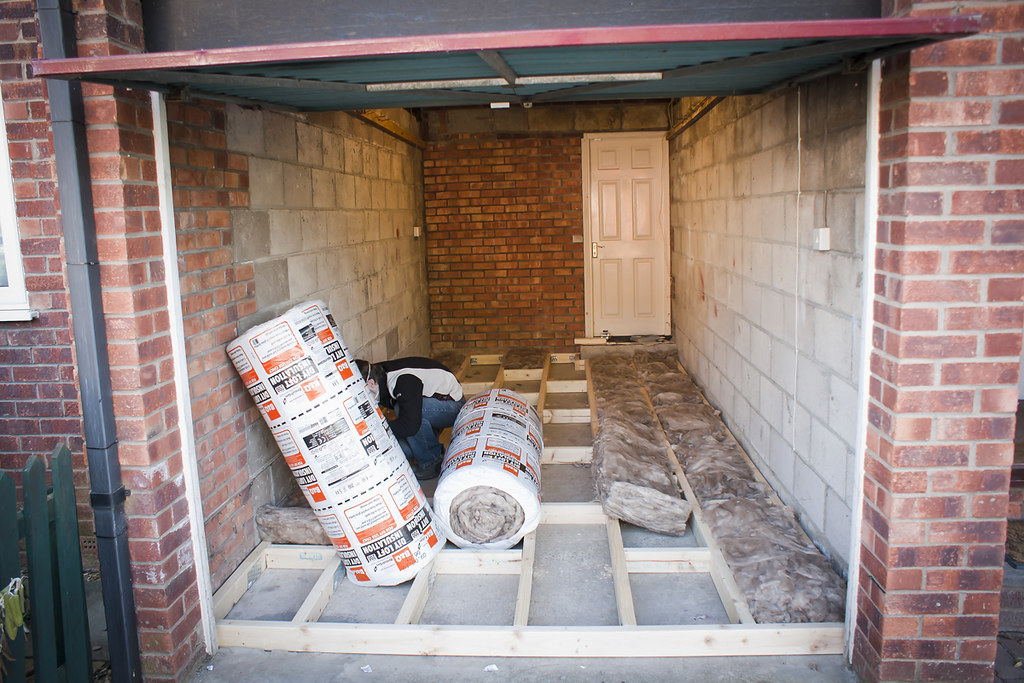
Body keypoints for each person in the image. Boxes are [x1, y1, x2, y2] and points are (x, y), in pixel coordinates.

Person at [354, 356, 465, 480]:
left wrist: (375, 432)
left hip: (452, 405)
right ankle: (428, 444)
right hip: (431, 403)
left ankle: (432, 462)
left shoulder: (403, 380)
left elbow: (410, 425)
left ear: (370, 383)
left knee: (408, 413)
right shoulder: (377, 374)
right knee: (405, 450)